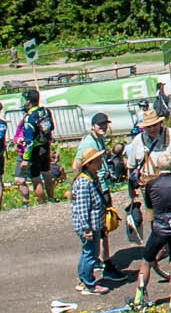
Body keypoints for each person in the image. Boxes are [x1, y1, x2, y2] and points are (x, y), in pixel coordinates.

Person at [135, 150, 171, 313]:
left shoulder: (151, 184)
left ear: (158, 167)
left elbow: (149, 205)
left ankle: (139, 297)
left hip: (159, 227)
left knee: (146, 261)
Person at [68, 144, 114, 293]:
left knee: (88, 253)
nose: (101, 162)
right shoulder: (83, 182)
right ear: (89, 164)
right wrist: (86, 228)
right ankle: (89, 284)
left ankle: (83, 279)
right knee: (90, 254)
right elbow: (82, 208)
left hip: (94, 224)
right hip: (89, 226)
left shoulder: (91, 178)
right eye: (97, 160)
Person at [20, 89, 59, 205]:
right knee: (46, 174)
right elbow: (51, 127)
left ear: (28, 102)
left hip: (36, 149)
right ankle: (51, 198)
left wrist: (26, 159)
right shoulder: (45, 112)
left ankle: (42, 202)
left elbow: (29, 141)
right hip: (46, 146)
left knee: (35, 178)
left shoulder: (29, 117)